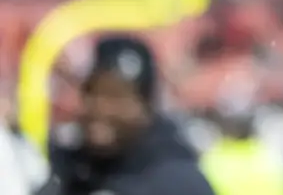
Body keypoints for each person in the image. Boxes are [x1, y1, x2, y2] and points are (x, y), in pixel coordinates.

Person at [40, 35, 215, 195]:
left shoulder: (177, 181)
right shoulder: (69, 169)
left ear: (146, 106)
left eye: (116, 98)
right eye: (92, 93)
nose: (100, 108)